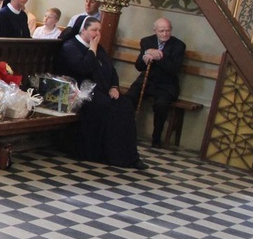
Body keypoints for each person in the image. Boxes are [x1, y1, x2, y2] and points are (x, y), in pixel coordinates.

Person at [57, 16, 143, 168]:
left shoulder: (99, 47)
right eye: (93, 30)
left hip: (102, 90)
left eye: (99, 30)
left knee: (125, 105)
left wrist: (114, 87)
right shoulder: (70, 46)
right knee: (107, 107)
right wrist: (92, 49)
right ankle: (104, 154)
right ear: (83, 30)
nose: (97, 34)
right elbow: (83, 68)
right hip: (79, 92)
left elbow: (112, 70)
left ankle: (128, 156)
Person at [126, 17, 186, 148]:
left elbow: (174, 69)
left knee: (161, 104)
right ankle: (126, 130)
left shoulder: (178, 45)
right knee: (130, 97)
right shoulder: (147, 41)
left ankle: (156, 138)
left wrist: (159, 57)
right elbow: (139, 67)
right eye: (161, 31)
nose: (165, 34)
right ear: (155, 30)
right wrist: (146, 55)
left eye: (167, 30)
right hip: (147, 80)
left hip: (166, 84)